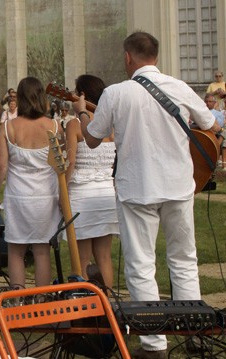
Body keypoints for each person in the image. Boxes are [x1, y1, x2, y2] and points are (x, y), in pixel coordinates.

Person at [76, 31, 222, 359]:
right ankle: (193, 333)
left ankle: (154, 344)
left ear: (129, 58)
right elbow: (211, 125)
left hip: (137, 187)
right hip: (178, 185)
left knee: (141, 264)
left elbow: (92, 139)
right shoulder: (179, 87)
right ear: (155, 55)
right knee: (184, 260)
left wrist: (82, 112)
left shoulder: (116, 93)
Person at [0, 76, 60, 290]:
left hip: (18, 196)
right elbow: (61, 166)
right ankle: (40, 300)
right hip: (46, 196)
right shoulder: (55, 126)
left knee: (16, 251)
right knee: (41, 250)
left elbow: (1, 166)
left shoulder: (8, 127)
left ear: (19, 98)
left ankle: (17, 299)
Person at [64, 74, 118, 289]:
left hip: (81, 196)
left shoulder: (74, 125)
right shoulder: (112, 123)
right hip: (107, 194)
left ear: (82, 95)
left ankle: (86, 308)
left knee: (82, 259)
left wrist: (62, 192)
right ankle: (108, 302)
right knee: (104, 257)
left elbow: (70, 162)